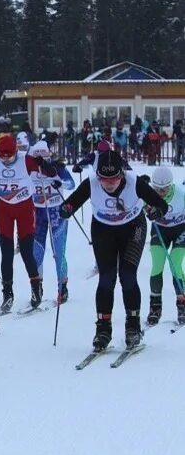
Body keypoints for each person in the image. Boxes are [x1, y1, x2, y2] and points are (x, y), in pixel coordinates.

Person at [60, 151, 168, 351]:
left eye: (114, 178)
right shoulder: (91, 183)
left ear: (122, 174)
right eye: (104, 179)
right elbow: (71, 203)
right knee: (106, 278)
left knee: (127, 275)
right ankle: (103, 329)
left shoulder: (134, 182)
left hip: (133, 228)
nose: (109, 183)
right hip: (103, 229)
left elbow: (163, 205)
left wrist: (156, 211)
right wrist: (66, 209)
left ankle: (133, 327)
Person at [0, 135, 56, 313]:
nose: (6, 159)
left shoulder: (25, 160)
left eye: (9, 156)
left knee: (26, 251)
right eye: (3, 156)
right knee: (6, 254)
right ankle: (8, 294)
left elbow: (52, 173)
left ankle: (36, 287)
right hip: (3, 210)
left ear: (16, 151)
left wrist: (43, 164)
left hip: (24, 209)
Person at [28, 141, 75, 304]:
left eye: (44, 156)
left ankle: (63, 287)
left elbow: (71, 184)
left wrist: (60, 182)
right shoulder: (30, 169)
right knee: (36, 253)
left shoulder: (57, 167)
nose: (41, 160)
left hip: (57, 213)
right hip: (38, 213)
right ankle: (37, 287)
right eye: (37, 157)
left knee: (58, 253)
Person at [144, 166, 185, 326]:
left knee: (175, 263)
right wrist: (147, 209)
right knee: (157, 265)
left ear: (171, 185)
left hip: (181, 229)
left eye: (165, 189)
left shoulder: (181, 194)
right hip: (160, 230)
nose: (161, 192)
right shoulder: (148, 195)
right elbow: (136, 205)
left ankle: (182, 303)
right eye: (158, 189)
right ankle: (155, 307)